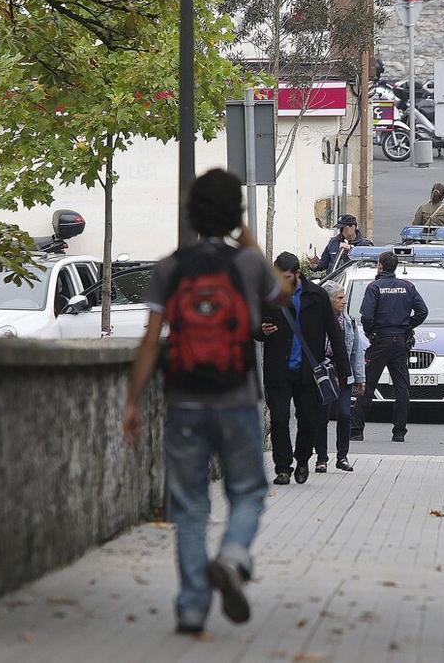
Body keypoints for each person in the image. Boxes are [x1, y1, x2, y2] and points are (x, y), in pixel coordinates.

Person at [122, 168, 292, 636]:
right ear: (234, 213)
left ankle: (192, 607)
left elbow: (151, 342)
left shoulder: (169, 268)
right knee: (248, 491)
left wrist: (132, 402)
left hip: (184, 403)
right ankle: (235, 557)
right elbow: (285, 292)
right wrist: (249, 239)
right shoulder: (248, 265)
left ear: (191, 212)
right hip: (237, 399)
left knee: (190, 505)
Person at [259, 252, 349, 483]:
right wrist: (260, 331)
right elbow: (252, 324)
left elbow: (334, 333)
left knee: (309, 418)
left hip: (309, 372)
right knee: (279, 418)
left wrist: (344, 370)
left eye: (286, 277)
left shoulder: (316, 296)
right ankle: (282, 467)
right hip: (278, 369)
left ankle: (302, 459)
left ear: (298, 274)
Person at [351, 251, 428, 443]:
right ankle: (399, 432)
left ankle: (356, 430)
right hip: (400, 341)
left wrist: (371, 332)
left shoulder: (374, 287)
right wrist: (407, 325)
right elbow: (422, 311)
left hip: (380, 341)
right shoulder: (408, 286)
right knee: (402, 388)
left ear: (380, 266)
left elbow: (367, 317)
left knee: (367, 385)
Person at [321, 280, 365, 471]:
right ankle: (321, 458)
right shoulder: (318, 322)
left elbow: (356, 351)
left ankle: (342, 456)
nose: (344, 301)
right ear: (329, 300)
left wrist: (360, 378)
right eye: (339, 298)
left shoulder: (349, 322)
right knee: (321, 418)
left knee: (345, 415)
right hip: (323, 375)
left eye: (344, 297)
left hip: (343, 375)